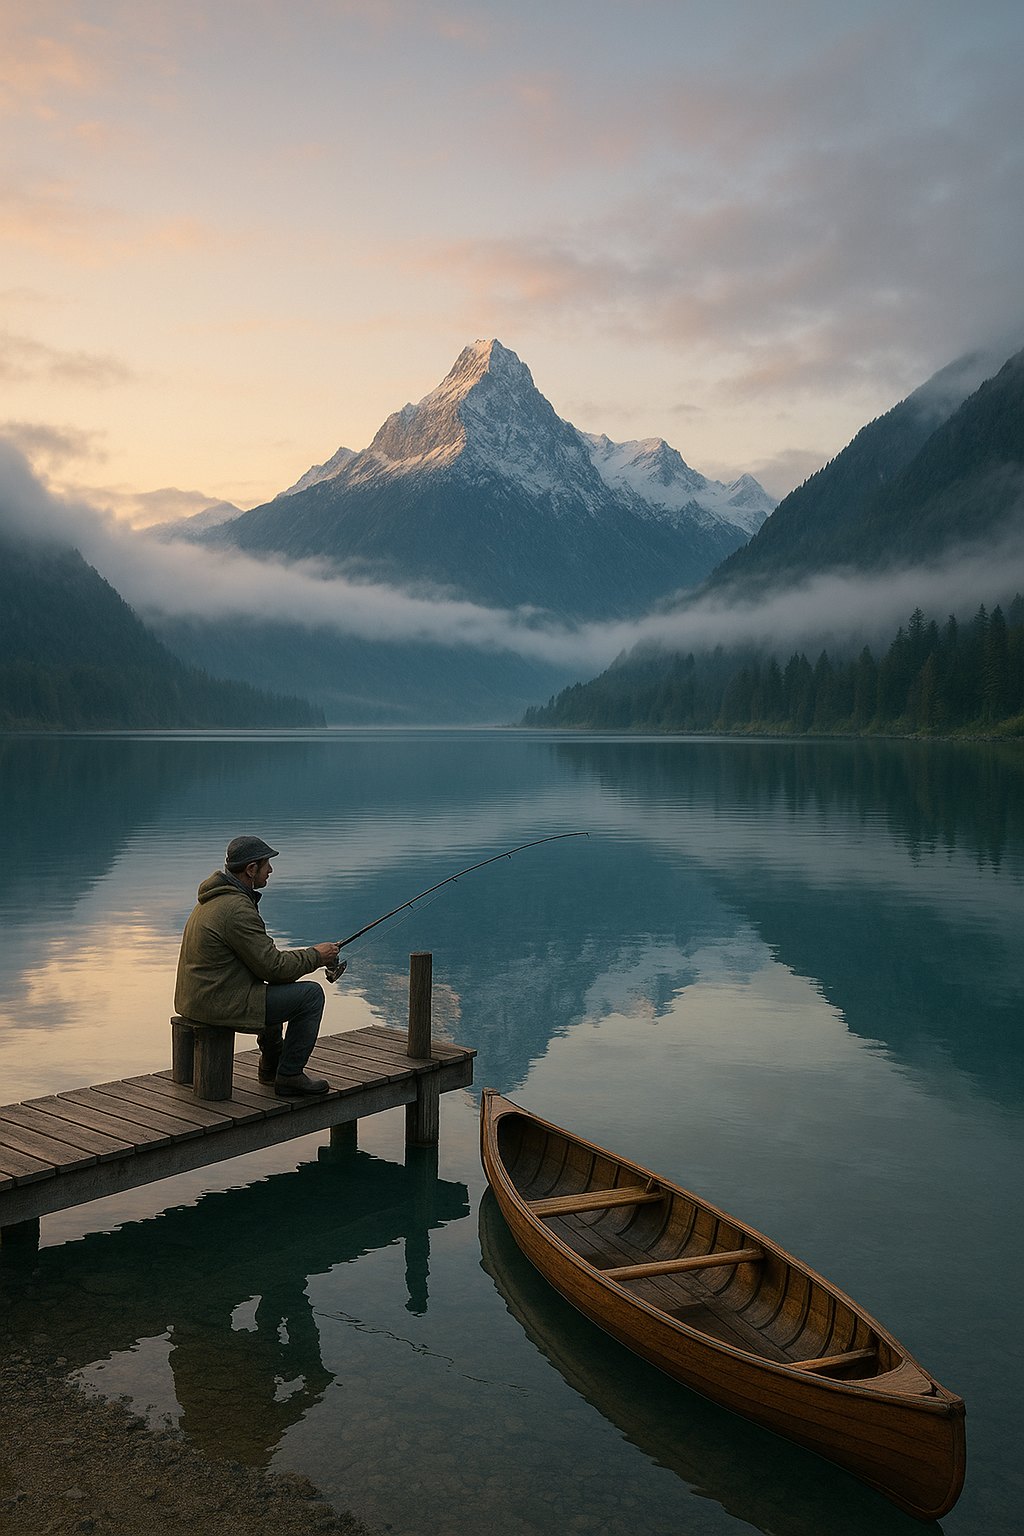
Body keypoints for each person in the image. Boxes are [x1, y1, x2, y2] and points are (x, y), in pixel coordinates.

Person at [174, 835, 342, 1097]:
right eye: (266, 864)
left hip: (199, 998)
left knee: (272, 986)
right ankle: (289, 1075)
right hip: (216, 1002)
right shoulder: (236, 909)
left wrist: (305, 959)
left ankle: (271, 1067)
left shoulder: (213, 901)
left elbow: (267, 966)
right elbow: (273, 967)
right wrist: (316, 956)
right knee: (311, 995)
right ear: (251, 870)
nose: (271, 870)